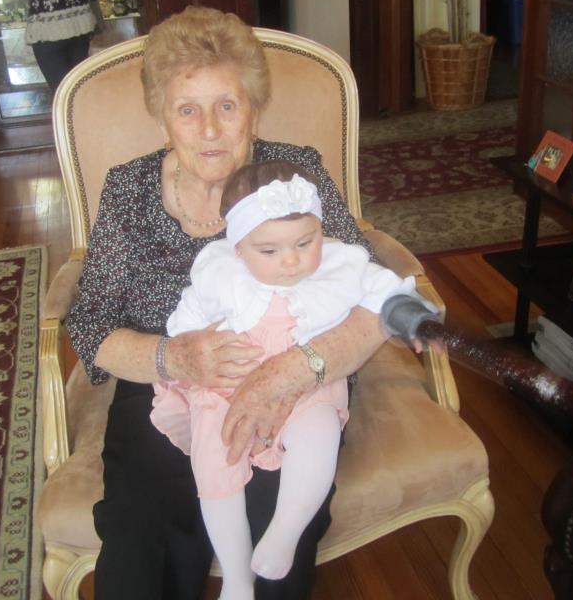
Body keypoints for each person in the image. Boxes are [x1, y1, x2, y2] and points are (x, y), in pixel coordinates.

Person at [65, 6, 399, 599]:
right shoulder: (128, 189)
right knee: (143, 537)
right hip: (165, 385)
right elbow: (91, 324)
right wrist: (175, 358)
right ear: (163, 119)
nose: (210, 129)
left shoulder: (296, 177)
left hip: (296, 380)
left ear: (252, 110)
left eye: (226, 106)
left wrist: (297, 370)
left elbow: (372, 291)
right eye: (187, 110)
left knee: (276, 530)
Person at [151, 161, 420, 599]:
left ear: (320, 230)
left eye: (305, 242)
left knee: (320, 433)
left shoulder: (342, 263)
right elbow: (186, 325)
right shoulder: (218, 271)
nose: (292, 260)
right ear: (239, 247)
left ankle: (285, 532)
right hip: (228, 387)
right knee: (215, 463)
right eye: (269, 251)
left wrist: (414, 319)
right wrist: (192, 350)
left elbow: (390, 292)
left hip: (307, 384)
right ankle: (237, 577)